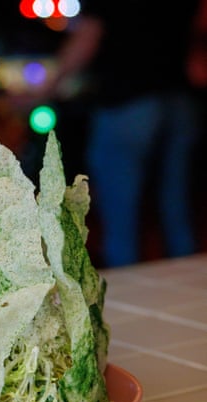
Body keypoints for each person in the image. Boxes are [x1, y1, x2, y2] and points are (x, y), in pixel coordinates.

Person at [24, 0, 202, 267]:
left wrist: (43, 90)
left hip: (129, 101)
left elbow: (88, 36)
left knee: (120, 218)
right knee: (177, 211)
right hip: (181, 101)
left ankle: (126, 300)